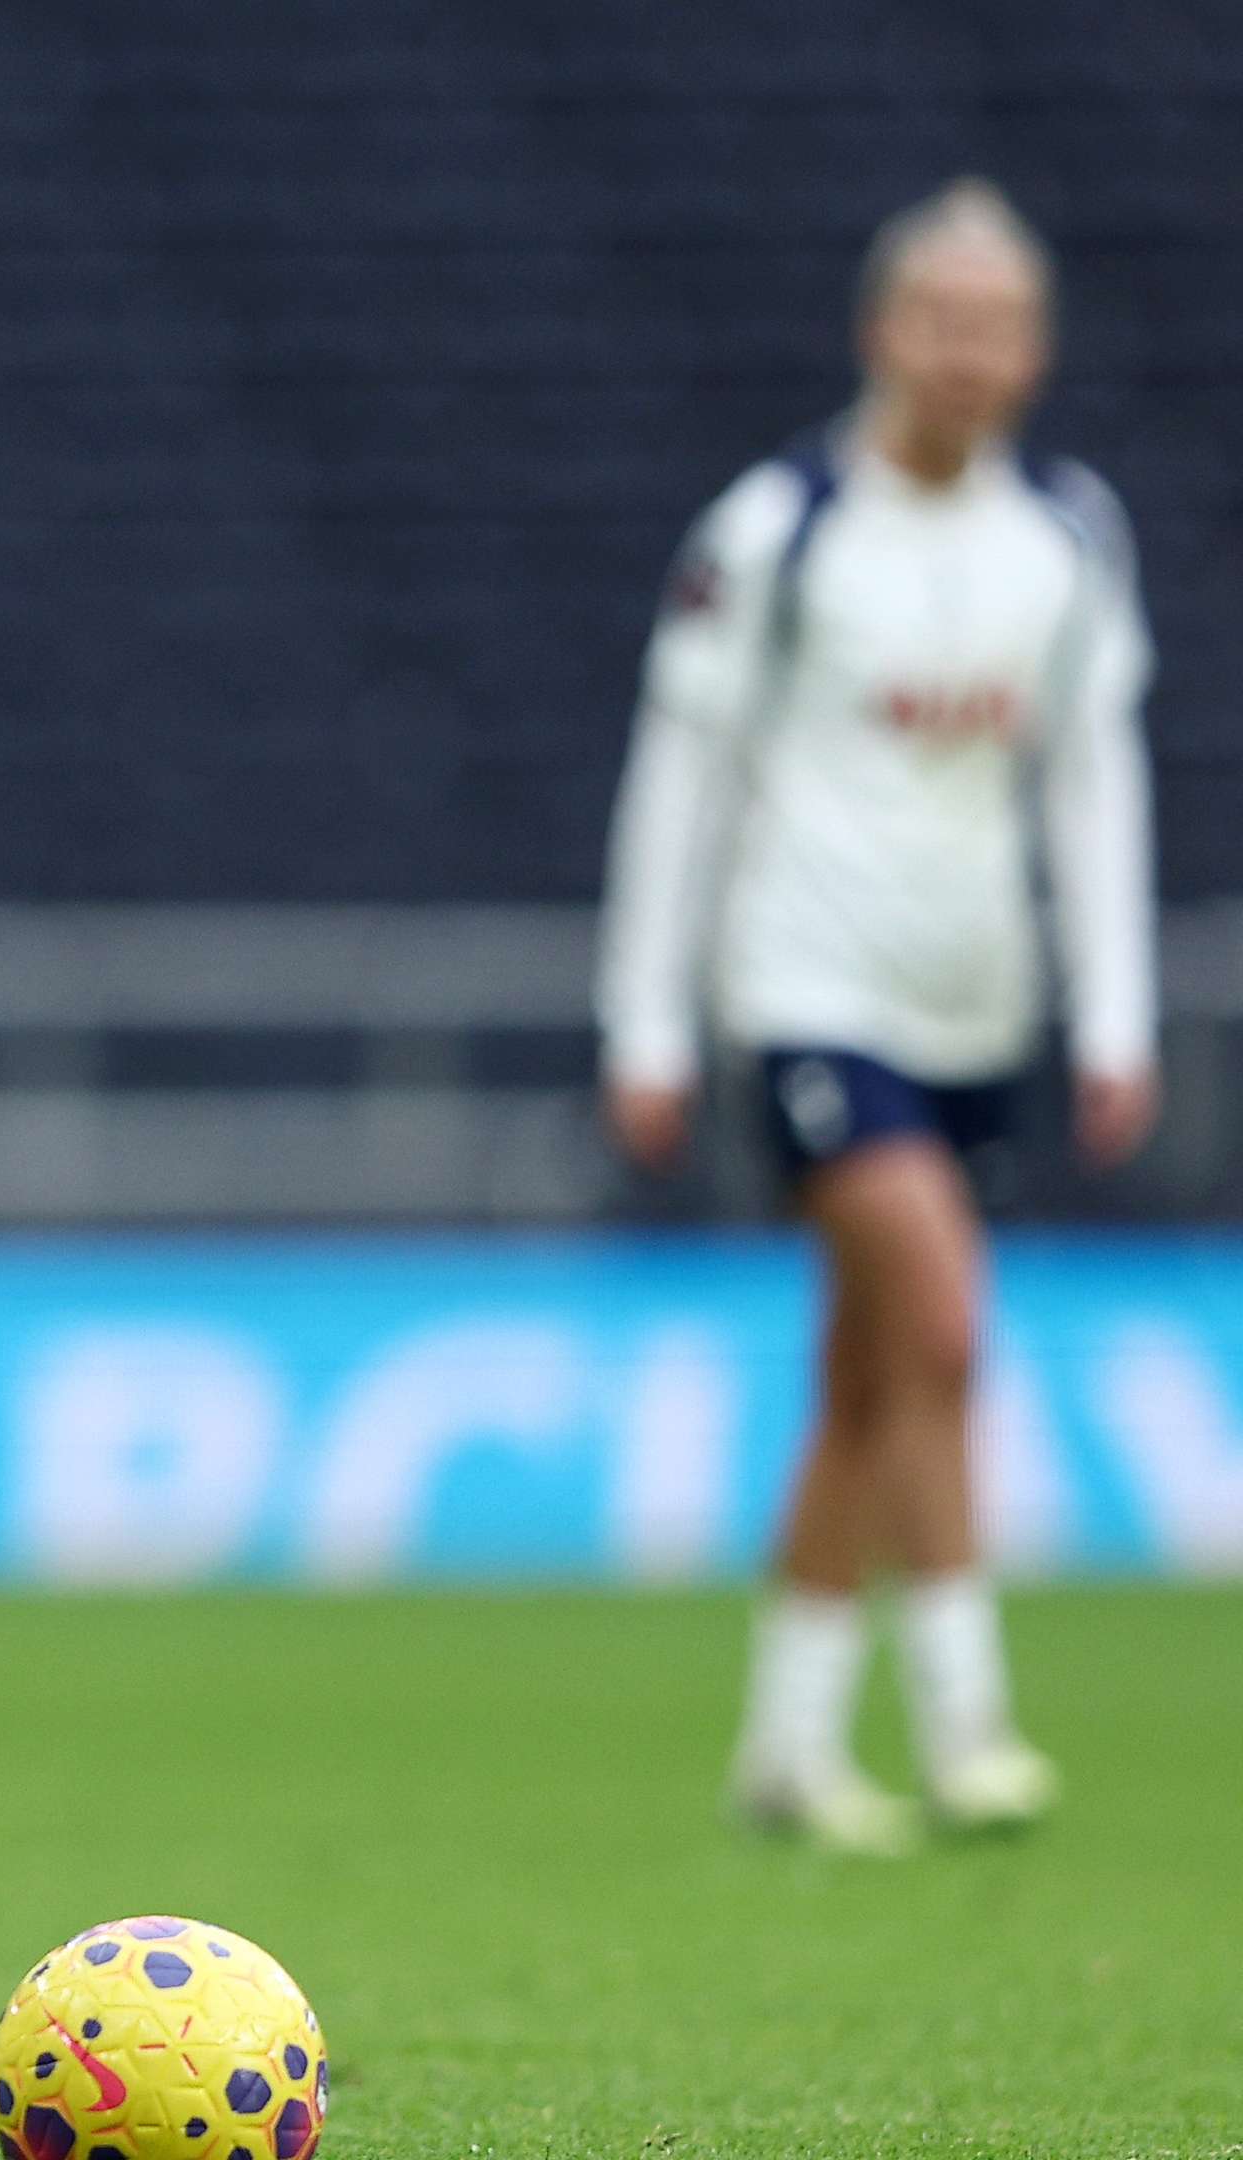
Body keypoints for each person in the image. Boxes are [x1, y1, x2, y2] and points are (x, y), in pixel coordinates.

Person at [598, 178, 1153, 1855]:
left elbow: (1093, 782)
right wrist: (647, 1020)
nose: (969, 357)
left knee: (863, 1384)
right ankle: (970, 1719)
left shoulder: (1066, 537)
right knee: (946, 1322)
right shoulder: (779, 527)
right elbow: (680, 776)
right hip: (806, 989)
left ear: (1036, 349)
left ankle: (787, 1743)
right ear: (880, 332)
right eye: (942, 321)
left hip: (973, 1001)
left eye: (1001, 327)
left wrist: (1111, 1007)